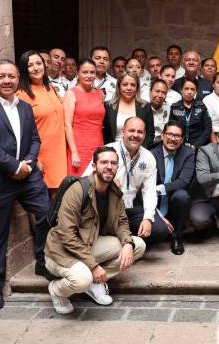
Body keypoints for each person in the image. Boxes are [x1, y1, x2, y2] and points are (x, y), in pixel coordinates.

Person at [0, 59, 51, 309]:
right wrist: (14, 167)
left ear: (18, 79)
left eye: (12, 76)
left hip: (28, 178)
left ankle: (42, 261)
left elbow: (35, 139)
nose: (7, 81)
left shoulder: (25, 107)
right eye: (2, 76)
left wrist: (28, 163)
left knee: (47, 214)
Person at [45, 146, 145, 314]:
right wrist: (93, 266)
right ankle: (56, 290)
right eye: (104, 162)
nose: (109, 167)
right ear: (94, 166)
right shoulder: (78, 190)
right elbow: (66, 235)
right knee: (82, 279)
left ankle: (94, 282)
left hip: (89, 244)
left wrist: (128, 243)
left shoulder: (114, 192)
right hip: (61, 251)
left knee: (137, 245)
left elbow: (121, 222)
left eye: (113, 163)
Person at [83, 117, 165, 249]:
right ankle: (121, 241)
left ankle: (123, 240)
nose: (135, 135)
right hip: (107, 206)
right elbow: (85, 180)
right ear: (123, 131)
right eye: (131, 131)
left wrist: (148, 218)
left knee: (160, 230)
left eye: (140, 132)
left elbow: (149, 192)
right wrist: (106, 184)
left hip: (131, 208)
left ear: (144, 134)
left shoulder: (148, 158)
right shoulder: (108, 150)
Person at [16, 51, 67, 193]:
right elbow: (21, 132)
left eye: (38, 63)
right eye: (30, 65)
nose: (36, 68)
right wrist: (35, 159)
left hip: (59, 153)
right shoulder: (21, 95)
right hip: (41, 155)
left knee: (59, 197)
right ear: (24, 69)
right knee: (45, 199)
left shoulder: (49, 87)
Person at [149, 122, 195, 254]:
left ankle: (177, 236)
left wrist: (160, 189)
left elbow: (184, 181)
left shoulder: (187, 153)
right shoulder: (151, 154)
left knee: (182, 195)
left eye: (177, 136)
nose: (173, 139)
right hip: (155, 202)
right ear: (162, 135)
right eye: (170, 134)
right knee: (157, 233)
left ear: (182, 139)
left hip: (175, 199)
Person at [63, 59, 104, 176]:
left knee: (97, 180)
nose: (89, 75)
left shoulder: (100, 93)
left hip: (98, 144)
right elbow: (67, 125)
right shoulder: (71, 94)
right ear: (77, 74)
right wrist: (74, 152)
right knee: (78, 183)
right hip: (78, 146)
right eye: (85, 72)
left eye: (92, 72)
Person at [103, 72, 154, 148]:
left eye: (133, 85)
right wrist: (110, 150)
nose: (129, 88)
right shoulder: (108, 106)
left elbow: (150, 134)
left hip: (138, 150)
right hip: (113, 150)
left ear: (137, 87)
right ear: (119, 86)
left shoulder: (145, 106)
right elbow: (105, 133)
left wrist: (140, 150)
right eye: (125, 84)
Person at [169, 78, 212, 150]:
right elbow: (171, 128)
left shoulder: (202, 107)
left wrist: (195, 146)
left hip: (199, 146)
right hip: (178, 145)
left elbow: (208, 128)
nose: (189, 92)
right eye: (186, 89)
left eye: (192, 89)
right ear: (181, 90)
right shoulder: (175, 107)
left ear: (196, 92)